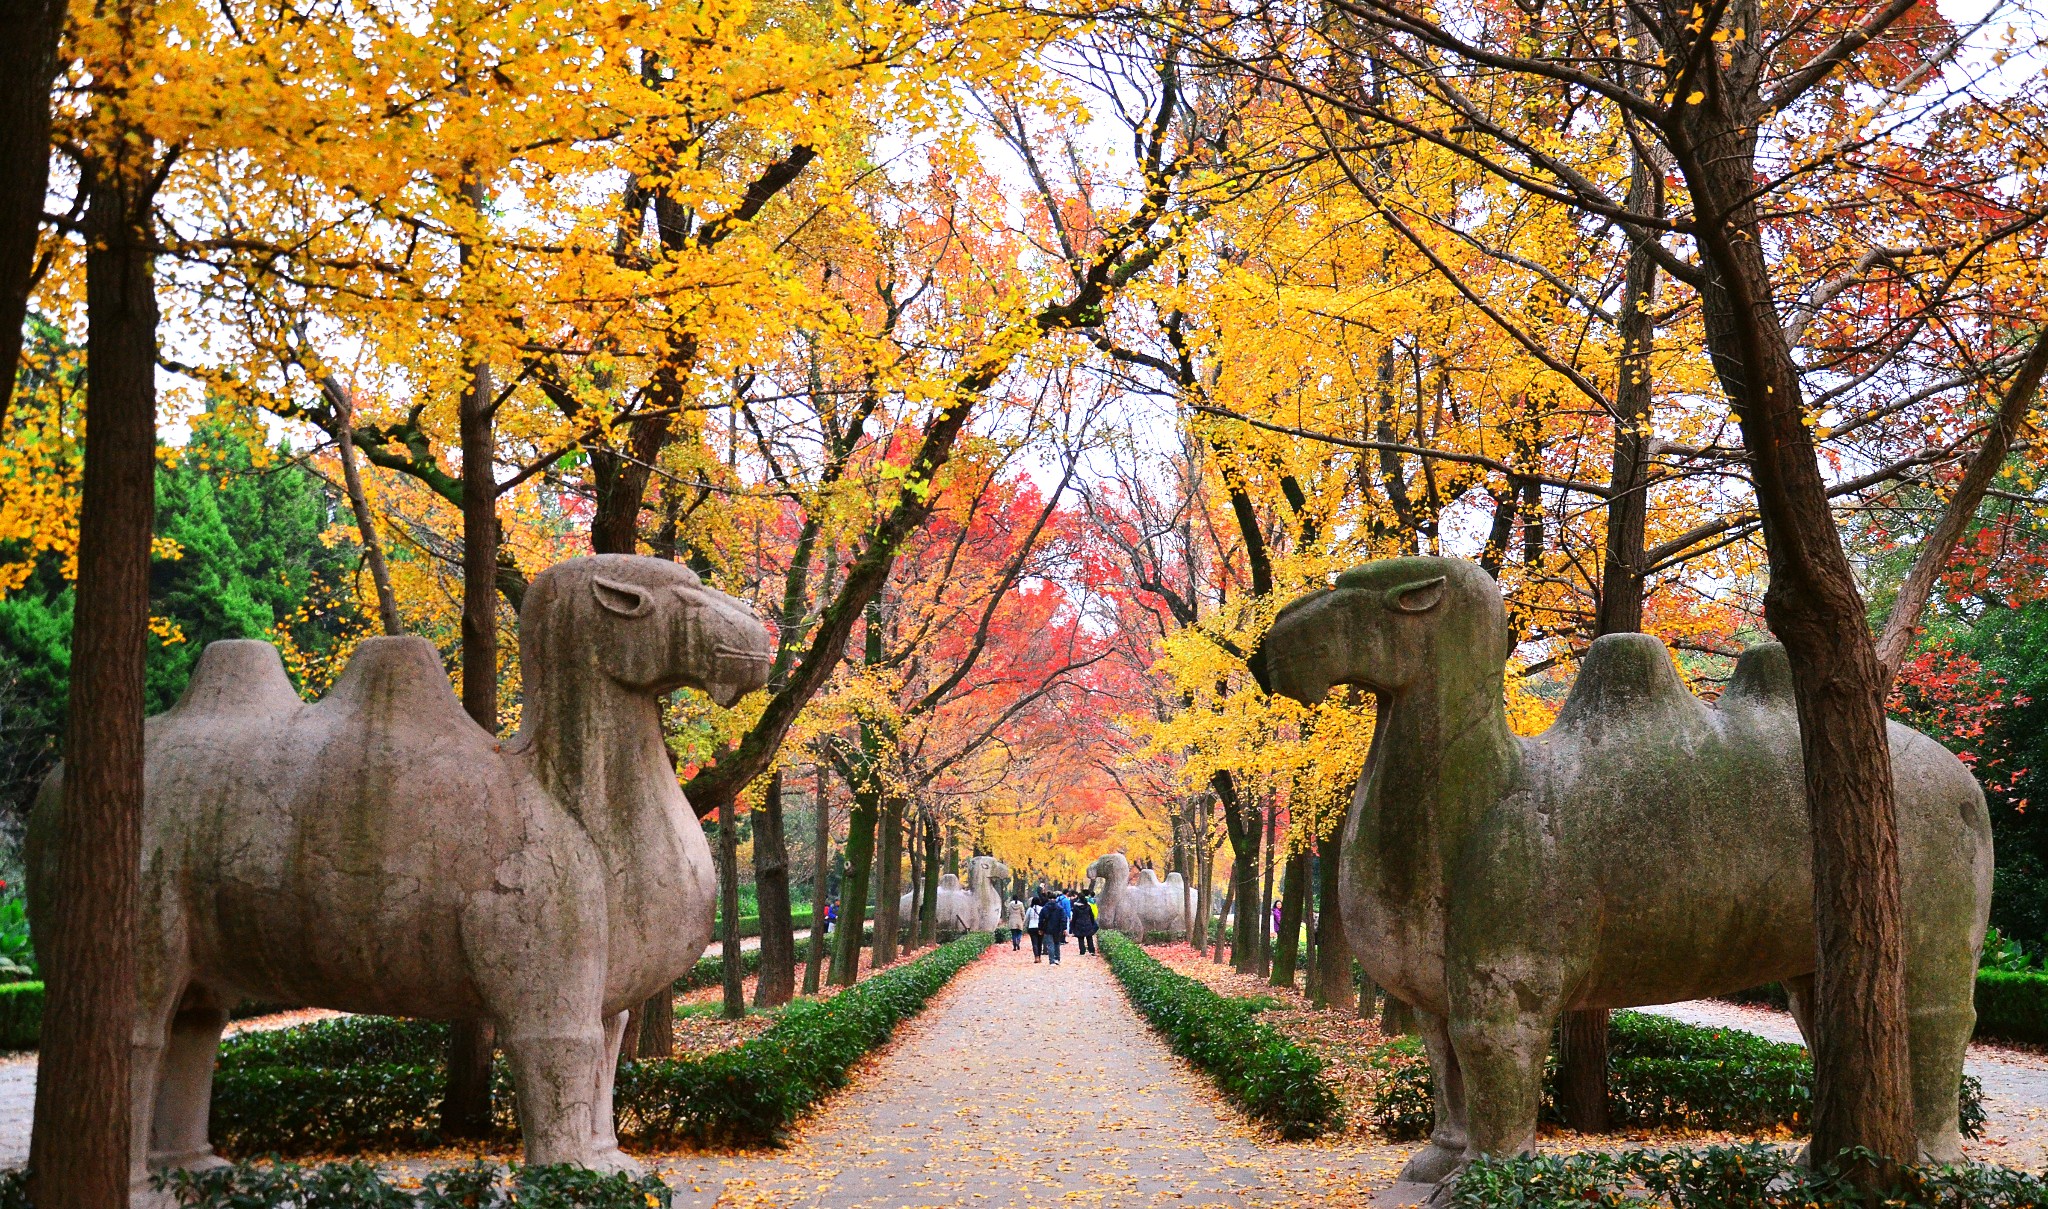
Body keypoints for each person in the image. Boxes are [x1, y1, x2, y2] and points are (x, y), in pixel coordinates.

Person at [1040, 889, 1070, 965]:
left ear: (1048, 899)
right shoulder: (1060, 908)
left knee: (1050, 944)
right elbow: (1063, 918)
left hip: (1047, 929)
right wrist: (1064, 928)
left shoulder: (1044, 908)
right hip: (1058, 929)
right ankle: (1057, 958)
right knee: (1057, 943)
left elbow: (1041, 919)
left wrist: (1040, 928)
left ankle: (1051, 961)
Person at [1025, 895, 1045, 961]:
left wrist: (1025, 926)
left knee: (1034, 943)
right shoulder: (1042, 909)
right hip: (1040, 927)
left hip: (1032, 927)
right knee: (1040, 943)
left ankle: (1036, 957)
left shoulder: (1030, 909)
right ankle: (1039, 956)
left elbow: (1026, 919)